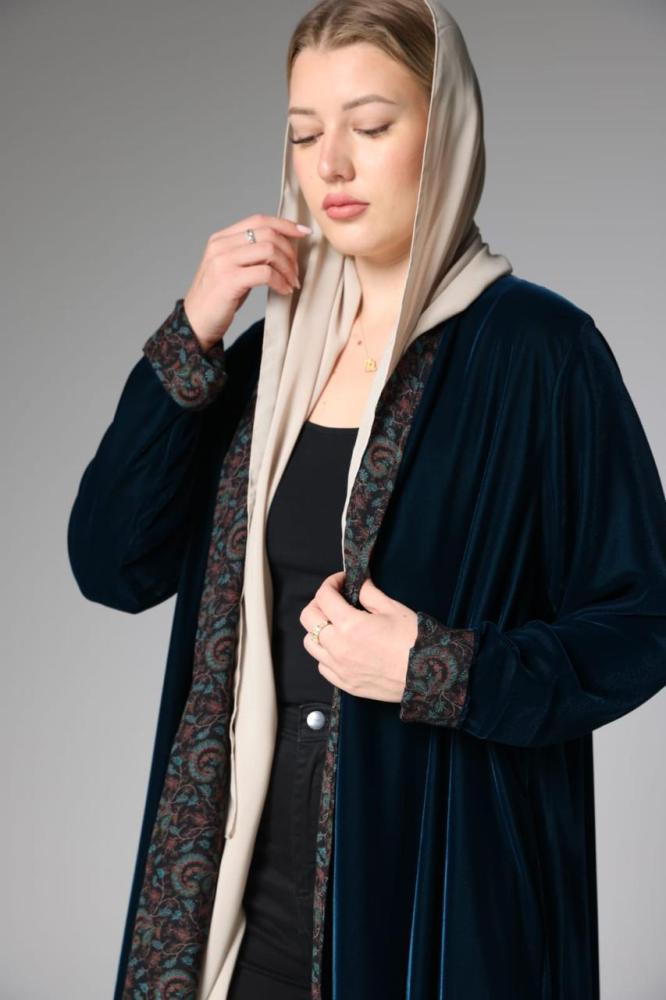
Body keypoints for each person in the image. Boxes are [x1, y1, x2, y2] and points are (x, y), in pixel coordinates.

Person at [67, 2, 666, 999]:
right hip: (240, 905)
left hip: (439, 897)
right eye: (306, 134)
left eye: (372, 125)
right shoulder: (264, 367)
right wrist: (194, 331)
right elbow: (111, 564)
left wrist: (439, 669)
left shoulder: (539, 353)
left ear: (447, 132)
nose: (332, 163)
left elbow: (645, 622)